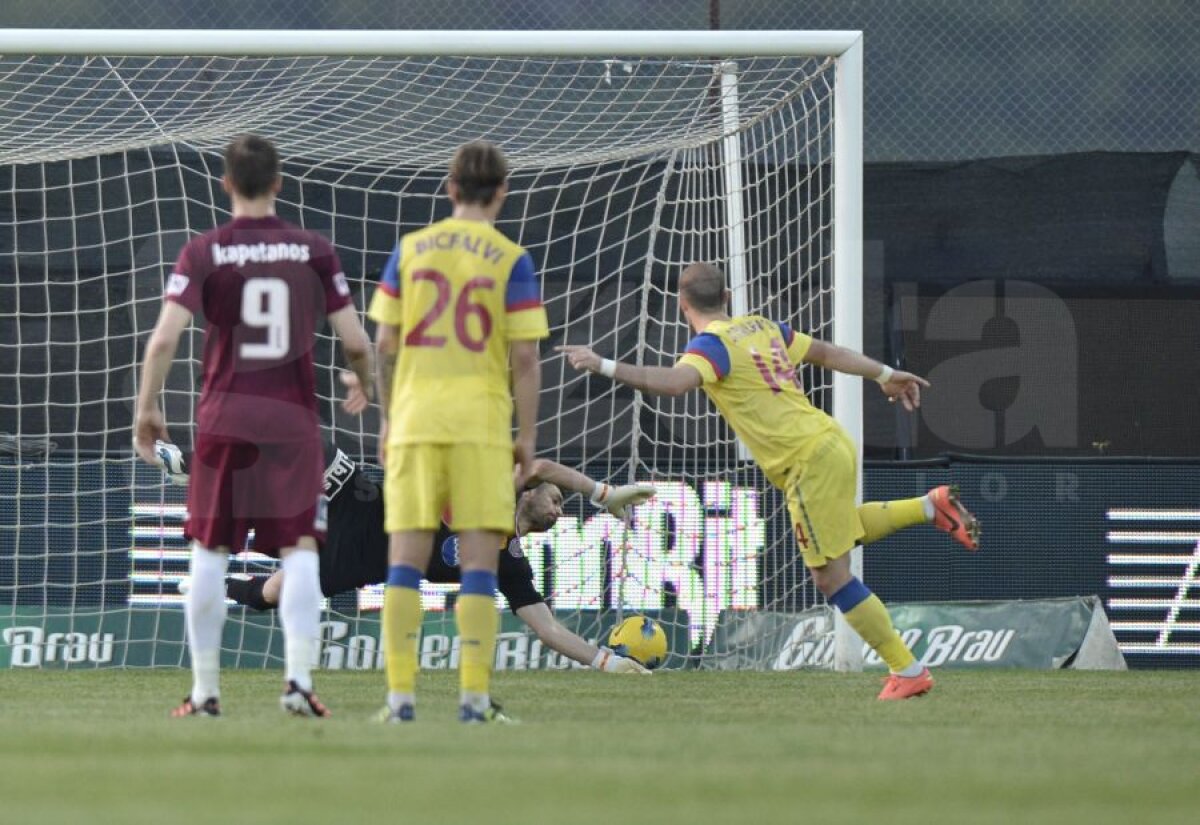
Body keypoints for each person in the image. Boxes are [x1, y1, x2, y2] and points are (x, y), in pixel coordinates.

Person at [558, 262, 981, 701]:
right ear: (726, 298)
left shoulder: (710, 347)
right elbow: (826, 353)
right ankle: (929, 507)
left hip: (804, 459)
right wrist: (885, 374)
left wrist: (602, 364)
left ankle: (907, 670)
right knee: (837, 536)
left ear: (682, 305)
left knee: (830, 577)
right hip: (829, 439)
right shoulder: (762, 327)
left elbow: (675, 383)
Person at [132, 134, 373, 719]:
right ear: (279, 182)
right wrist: (368, 383)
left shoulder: (203, 250)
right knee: (299, 551)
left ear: (225, 183)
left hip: (223, 417)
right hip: (292, 423)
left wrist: (148, 409)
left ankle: (206, 690)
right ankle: (297, 682)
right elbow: (357, 343)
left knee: (210, 552)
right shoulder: (313, 250)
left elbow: (164, 338)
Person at [158, 436, 655, 674]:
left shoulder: (510, 562)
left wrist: (606, 661)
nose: (558, 508)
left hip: (365, 559)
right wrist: (602, 492)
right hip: (366, 502)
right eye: (557, 498)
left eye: (563, 504)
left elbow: (546, 629)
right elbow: (543, 463)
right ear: (531, 493)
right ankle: (193, 462)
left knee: (270, 594)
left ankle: (210, 583)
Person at [369, 140, 547, 723]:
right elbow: (524, 359)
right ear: (502, 192)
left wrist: (389, 418)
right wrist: (528, 436)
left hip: (417, 420)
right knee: (477, 564)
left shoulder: (412, 250)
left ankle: (400, 702)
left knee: (404, 561)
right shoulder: (511, 258)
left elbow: (385, 346)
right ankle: (473, 701)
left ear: (449, 188)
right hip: (481, 423)